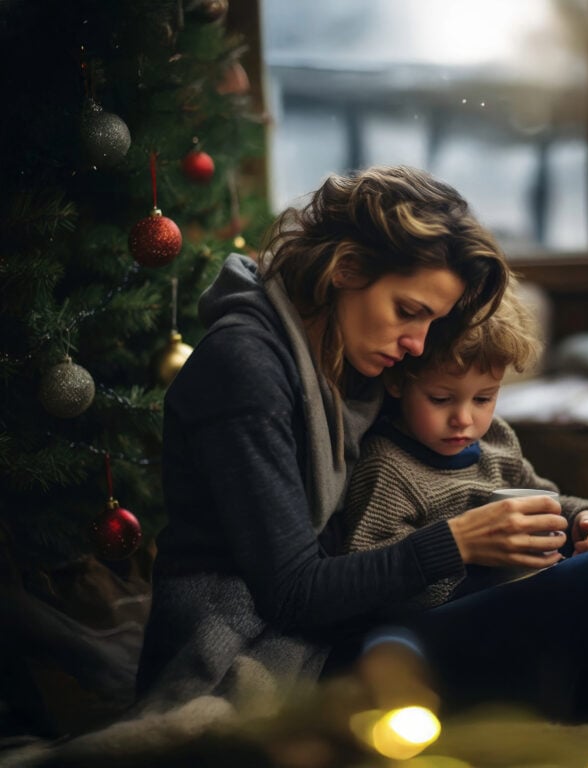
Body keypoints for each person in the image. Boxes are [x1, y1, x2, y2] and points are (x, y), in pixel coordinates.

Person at [135, 165, 513, 711]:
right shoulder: (245, 368)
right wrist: (455, 543)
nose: (416, 344)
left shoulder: (352, 359)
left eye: (433, 322)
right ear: (346, 268)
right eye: (409, 312)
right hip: (262, 645)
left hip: (359, 617)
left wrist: (571, 519)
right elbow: (292, 595)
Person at [339, 284, 588, 721]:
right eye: (441, 399)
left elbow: (547, 496)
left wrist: (586, 520)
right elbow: (370, 574)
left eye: (484, 398)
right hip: (443, 626)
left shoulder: (496, 440)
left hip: (524, 592)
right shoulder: (388, 465)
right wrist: (476, 561)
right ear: (399, 380)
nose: (464, 419)